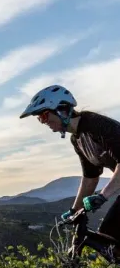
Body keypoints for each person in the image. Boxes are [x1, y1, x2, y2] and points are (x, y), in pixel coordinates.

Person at [20, 85, 120, 250]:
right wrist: (75, 209)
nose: (44, 122)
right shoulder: (77, 139)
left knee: (109, 240)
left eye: (45, 115)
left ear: (62, 110)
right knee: (109, 240)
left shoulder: (97, 125)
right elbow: (90, 178)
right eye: (39, 119)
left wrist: (102, 196)